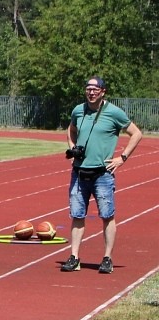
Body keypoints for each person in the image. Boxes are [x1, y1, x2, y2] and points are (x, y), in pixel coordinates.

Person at [60, 76, 144, 274]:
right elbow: (71, 130)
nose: (91, 92)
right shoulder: (78, 110)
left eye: (95, 89)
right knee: (77, 215)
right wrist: (72, 149)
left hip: (103, 174)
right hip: (79, 172)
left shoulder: (114, 112)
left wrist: (122, 158)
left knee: (107, 216)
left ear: (103, 91)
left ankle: (107, 258)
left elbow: (137, 133)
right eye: (88, 88)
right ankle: (74, 257)